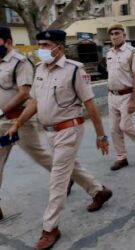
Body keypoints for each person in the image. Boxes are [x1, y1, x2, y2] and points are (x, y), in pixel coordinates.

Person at [6, 29, 112, 250]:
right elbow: (34, 102)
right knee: (70, 167)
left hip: (69, 131)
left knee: (57, 179)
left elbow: (90, 104)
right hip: (50, 132)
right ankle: (98, 191)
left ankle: (50, 228)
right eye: (40, 45)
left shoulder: (75, 70)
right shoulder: (40, 69)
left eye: (45, 45)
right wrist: (17, 123)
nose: (41, 50)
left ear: (59, 48)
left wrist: (101, 135)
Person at [0, 27, 74, 221]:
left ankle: (67, 176)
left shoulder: (20, 62)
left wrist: (2, 111)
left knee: (39, 155)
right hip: (1, 124)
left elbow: (25, 93)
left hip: (19, 120)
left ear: (7, 42)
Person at [106, 23, 135, 171]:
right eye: (112, 34)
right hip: (112, 95)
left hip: (127, 95)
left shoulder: (132, 52)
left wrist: (133, 100)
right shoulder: (109, 53)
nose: (114, 36)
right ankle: (121, 158)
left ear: (124, 35)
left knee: (125, 126)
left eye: (117, 33)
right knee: (114, 129)